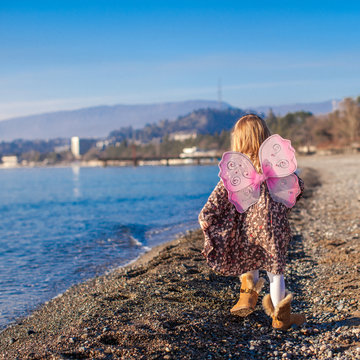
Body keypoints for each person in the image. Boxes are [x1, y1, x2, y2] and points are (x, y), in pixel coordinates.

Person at [198, 114, 305, 330]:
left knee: (248, 261)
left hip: (247, 230)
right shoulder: (275, 164)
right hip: (274, 230)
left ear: (239, 139)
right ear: (264, 135)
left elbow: (219, 195)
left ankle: (248, 295)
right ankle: (280, 317)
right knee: (276, 272)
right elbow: (297, 185)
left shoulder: (237, 168)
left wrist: (205, 216)